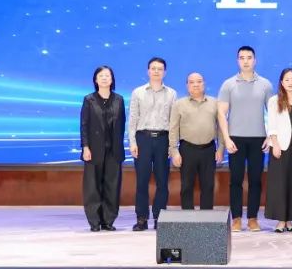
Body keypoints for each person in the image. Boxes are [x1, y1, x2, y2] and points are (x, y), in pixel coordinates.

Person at [218, 46, 274, 232]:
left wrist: (270, 136)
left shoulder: (265, 84)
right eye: (242, 58)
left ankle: (252, 218)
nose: (246, 61)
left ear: (255, 60)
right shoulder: (228, 84)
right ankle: (236, 218)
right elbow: (221, 113)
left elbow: (273, 112)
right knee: (235, 180)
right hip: (235, 139)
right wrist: (226, 139)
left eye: (249, 57)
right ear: (237, 61)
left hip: (258, 139)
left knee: (256, 180)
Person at [128, 57, 177, 231]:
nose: (156, 71)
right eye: (153, 68)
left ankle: (159, 217)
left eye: (160, 69)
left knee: (162, 181)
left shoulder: (172, 93)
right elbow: (133, 119)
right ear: (148, 71)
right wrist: (132, 142)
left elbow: (173, 122)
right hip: (143, 138)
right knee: (142, 180)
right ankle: (141, 218)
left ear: (165, 72)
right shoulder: (138, 92)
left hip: (163, 139)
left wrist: (172, 146)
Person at [169, 73, 227, 210]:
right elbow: (173, 129)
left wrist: (220, 149)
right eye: (192, 82)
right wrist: (174, 151)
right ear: (187, 85)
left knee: (208, 185)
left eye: (199, 81)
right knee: (186, 186)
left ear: (204, 83)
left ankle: (206, 218)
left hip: (209, 150)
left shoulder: (214, 103)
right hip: (187, 150)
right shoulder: (179, 104)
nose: (196, 85)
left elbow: (221, 127)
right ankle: (187, 217)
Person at [80, 65, 126, 231]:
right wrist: (85, 147)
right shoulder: (89, 99)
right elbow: (84, 125)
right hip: (94, 150)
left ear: (112, 79)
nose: (105, 78)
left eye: (107, 75)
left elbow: (122, 125)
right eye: (101, 76)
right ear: (96, 80)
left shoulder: (119, 99)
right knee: (92, 187)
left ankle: (108, 221)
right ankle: (94, 222)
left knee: (112, 186)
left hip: (114, 150)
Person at [264, 68, 292, 233]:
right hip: (280, 147)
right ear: (282, 82)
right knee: (280, 183)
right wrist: (274, 144)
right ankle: (281, 220)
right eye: (287, 79)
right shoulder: (274, 100)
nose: (290, 82)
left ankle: (290, 219)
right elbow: (272, 125)